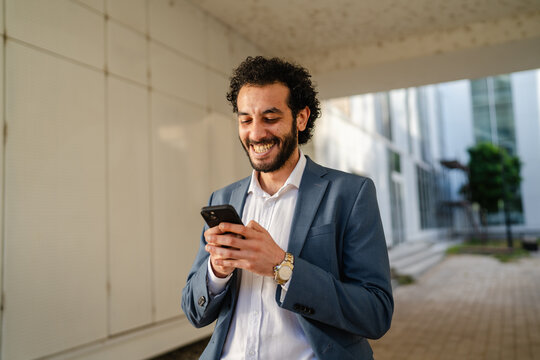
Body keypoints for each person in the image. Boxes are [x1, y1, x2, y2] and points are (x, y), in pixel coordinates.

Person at [182, 56, 393, 360]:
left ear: (301, 118)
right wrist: (217, 270)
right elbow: (194, 311)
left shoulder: (350, 194)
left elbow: (376, 313)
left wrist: (283, 267)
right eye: (245, 120)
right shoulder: (222, 198)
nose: (255, 134)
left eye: (270, 118)